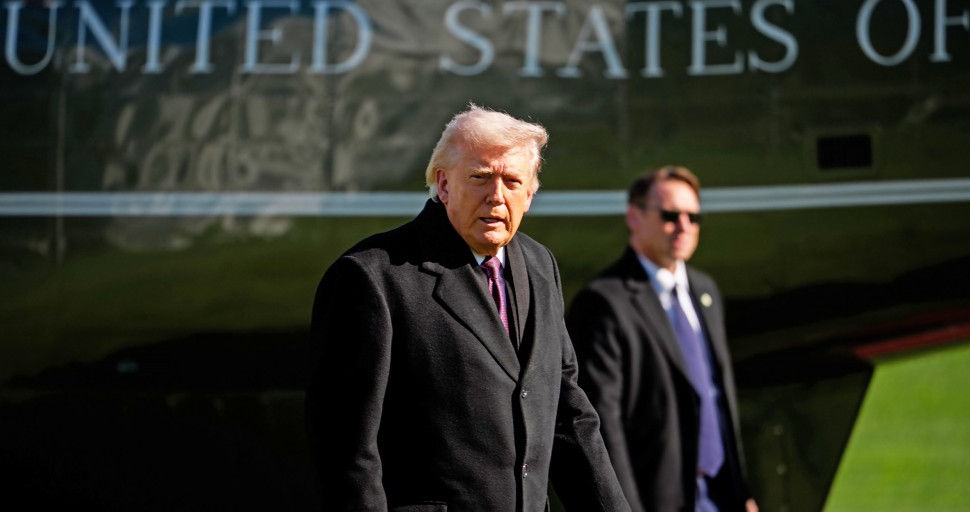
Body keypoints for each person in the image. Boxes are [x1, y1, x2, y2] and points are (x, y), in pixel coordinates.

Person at [306, 104, 630, 512]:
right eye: (480, 177)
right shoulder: (371, 277)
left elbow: (567, 415)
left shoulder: (539, 265)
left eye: (512, 181)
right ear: (443, 185)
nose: (496, 196)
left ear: (530, 196)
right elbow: (345, 450)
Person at [567, 166, 759, 512]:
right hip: (657, 500)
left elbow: (718, 400)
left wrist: (741, 491)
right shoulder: (603, 302)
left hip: (719, 496)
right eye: (670, 215)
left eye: (693, 217)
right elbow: (603, 426)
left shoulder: (705, 291)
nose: (684, 226)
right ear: (634, 217)